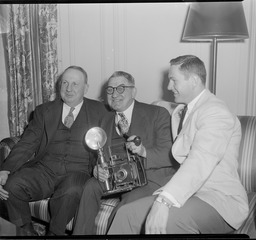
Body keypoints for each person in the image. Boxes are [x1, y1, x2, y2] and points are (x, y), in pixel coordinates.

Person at [107, 55, 249, 235]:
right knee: (125, 214)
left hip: (218, 199)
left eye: (174, 80)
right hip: (191, 194)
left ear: (195, 80)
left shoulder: (216, 112)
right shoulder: (182, 110)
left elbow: (201, 160)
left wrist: (164, 201)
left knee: (168, 222)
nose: (168, 87)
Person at [0, 66, 108, 236]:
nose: (69, 89)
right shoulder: (44, 111)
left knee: (71, 191)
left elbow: (107, 145)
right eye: (65, 82)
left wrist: (100, 167)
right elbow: (27, 143)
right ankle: (25, 231)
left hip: (78, 171)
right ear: (59, 85)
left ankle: (54, 234)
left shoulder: (100, 111)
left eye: (75, 84)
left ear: (85, 88)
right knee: (12, 185)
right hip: (44, 170)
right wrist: (6, 169)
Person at [72, 71, 177, 235]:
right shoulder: (104, 119)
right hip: (117, 177)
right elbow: (96, 156)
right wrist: (96, 169)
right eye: (110, 90)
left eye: (121, 88)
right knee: (90, 186)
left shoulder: (157, 113)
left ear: (133, 91)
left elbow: (169, 155)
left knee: (126, 206)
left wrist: (143, 151)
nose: (114, 94)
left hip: (149, 179)